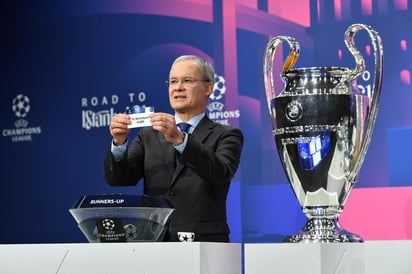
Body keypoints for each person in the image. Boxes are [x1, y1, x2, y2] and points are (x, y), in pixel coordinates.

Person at [104, 55, 243, 242]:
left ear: (208, 88)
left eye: (187, 81)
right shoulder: (149, 134)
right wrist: (119, 144)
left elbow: (220, 172)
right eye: (173, 82)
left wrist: (180, 140)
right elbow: (119, 179)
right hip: (154, 240)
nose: (178, 88)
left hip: (204, 243)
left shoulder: (227, 134)